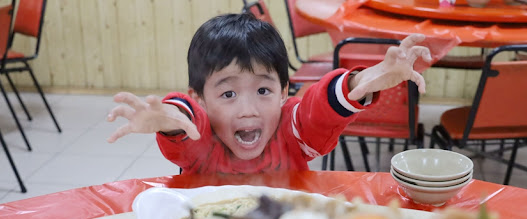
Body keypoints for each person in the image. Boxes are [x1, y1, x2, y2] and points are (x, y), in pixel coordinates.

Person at [107, 13, 431, 174]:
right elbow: (188, 124)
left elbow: (317, 110)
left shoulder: (291, 129)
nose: (248, 109)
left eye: (263, 89)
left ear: (283, 92)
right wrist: (172, 117)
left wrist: (366, 79)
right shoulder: (202, 142)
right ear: (201, 99)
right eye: (228, 94)